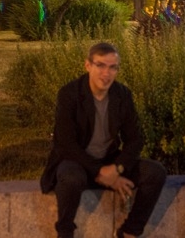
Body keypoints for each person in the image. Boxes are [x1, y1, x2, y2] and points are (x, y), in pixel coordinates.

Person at [40, 42, 166, 238]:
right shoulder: (70, 94)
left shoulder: (122, 95)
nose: (106, 74)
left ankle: (129, 232)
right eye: (100, 65)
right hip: (75, 162)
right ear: (88, 65)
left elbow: (135, 140)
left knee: (155, 172)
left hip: (109, 161)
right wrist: (100, 172)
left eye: (112, 67)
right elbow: (65, 144)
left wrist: (116, 169)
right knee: (71, 178)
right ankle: (64, 232)